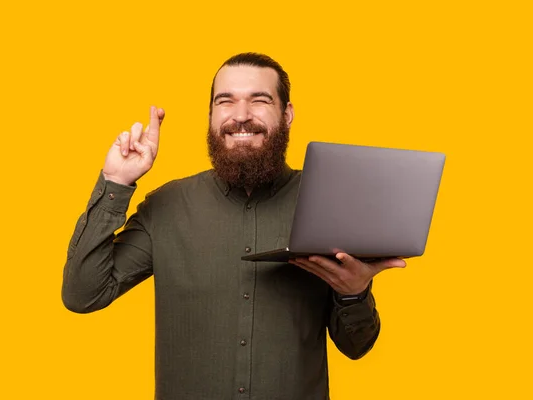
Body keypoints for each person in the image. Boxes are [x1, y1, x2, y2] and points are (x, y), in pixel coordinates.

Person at [62, 52, 406, 400]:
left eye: (259, 101)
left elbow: (356, 346)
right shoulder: (166, 206)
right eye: (225, 102)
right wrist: (116, 183)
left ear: (286, 115)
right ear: (211, 115)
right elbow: (82, 295)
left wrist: (354, 292)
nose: (241, 116)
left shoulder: (329, 203)